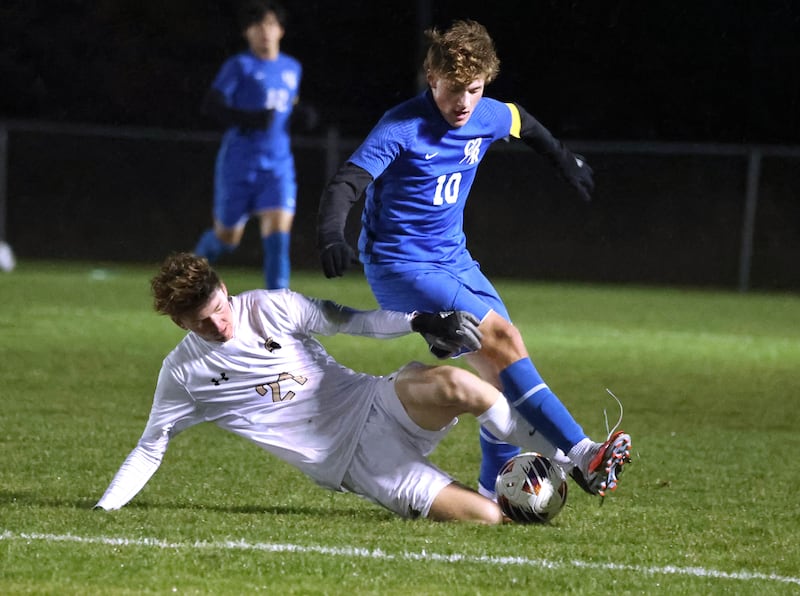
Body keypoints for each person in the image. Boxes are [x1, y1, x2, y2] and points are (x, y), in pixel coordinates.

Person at [317, 19, 630, 499]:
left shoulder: (485, 113)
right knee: (502, 340)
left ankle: (492, 492)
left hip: (455, 260)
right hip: (400, 265)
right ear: (432, 79)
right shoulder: (401, 126)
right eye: (454, 90)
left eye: (475, 90)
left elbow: (521, 119)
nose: (464, 102)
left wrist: (564, 159)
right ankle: (583, 454)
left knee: (502, 371)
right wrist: (330, 235)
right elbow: (347, 181)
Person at [95, 252, 605, 523]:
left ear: (225, 290)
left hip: (375, 401)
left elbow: (352, 322)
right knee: (492, 520)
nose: (221, 325)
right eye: (203, 322)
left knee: (465, 385)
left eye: (221, 308)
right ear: (181, 324)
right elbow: (149, 448)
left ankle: (570, 458)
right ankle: (506, 492)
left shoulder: (270, 306)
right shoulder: (183, 375)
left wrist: (421, 320)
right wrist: (104, 510)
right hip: (356, 464)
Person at [194, 0, 305, 289]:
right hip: (239, 162)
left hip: (278, 164)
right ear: (247, 32)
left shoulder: (292, 68)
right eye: (257, 25)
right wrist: (247, 119)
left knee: (278, 240)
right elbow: (211, 104)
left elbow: (286, 106)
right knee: (227, 239)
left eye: (270, 24)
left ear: (280, 30)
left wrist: (302, 114)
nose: (264, 31)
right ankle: (188, 279)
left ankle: (277, 312)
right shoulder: (239, 66)